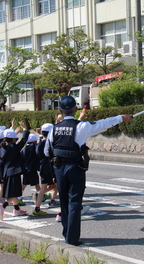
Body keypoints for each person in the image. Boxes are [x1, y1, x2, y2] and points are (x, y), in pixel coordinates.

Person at [44, 96, 133, 246]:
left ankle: (66, 234)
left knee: (64, 201)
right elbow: (102, 124)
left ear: (60, 111)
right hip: (75, 168)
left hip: (59, 168)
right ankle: (72, 238)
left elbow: (47, 152)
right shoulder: (81, 127)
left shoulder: (54, 130)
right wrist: (121, 118)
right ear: (76, 110)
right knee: (75, 202)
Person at [0, 121, 29, 220]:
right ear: (14, 139)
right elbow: (24, 140)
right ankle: (3, 206)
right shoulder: (14, 148)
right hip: (14, 172)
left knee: (13, 191)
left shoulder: (2, 148)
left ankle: (16, 209)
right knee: (14, 193)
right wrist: (25, 129)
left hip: (7, 172)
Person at [33, 123, 59, 216]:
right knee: (58, 186)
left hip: (43, 167)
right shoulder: (50, 143)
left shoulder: (40, 142)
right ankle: (64, 208)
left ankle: (37, 208)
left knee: (45, 187)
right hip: (51, 167)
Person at [19, 133, 41, 206]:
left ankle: (19, 197)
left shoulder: (24, 149)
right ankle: (40, 194)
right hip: (32, 168)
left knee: (25, 183)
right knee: (36, 182)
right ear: (34, 141)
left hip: (25, 169)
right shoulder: (34, 147)